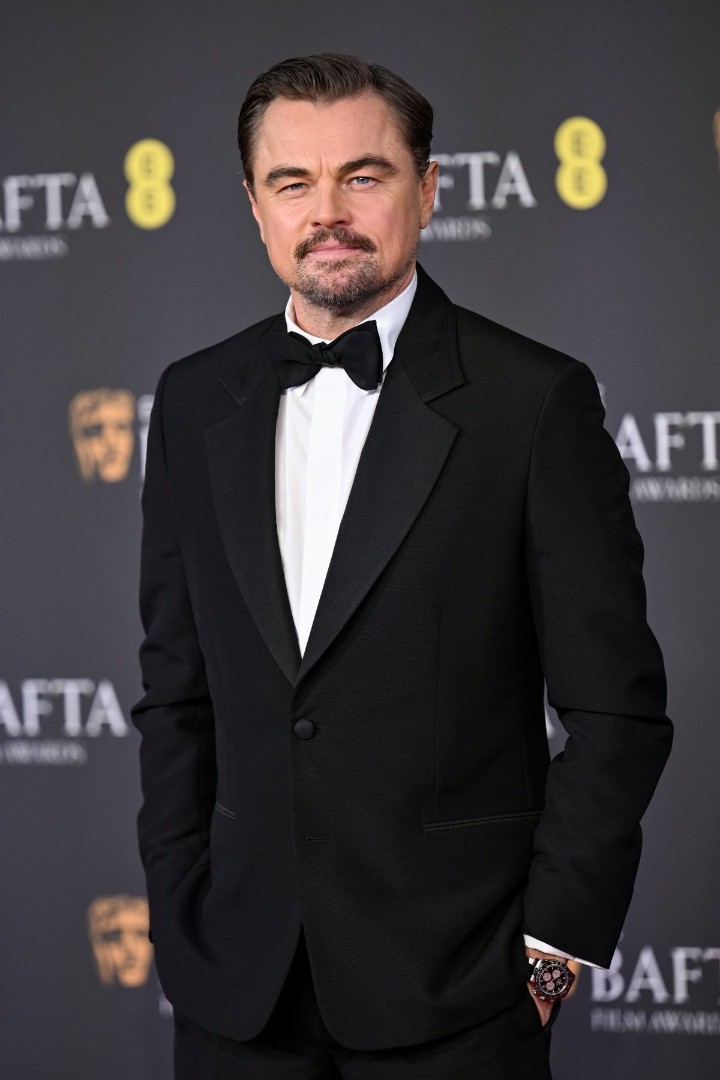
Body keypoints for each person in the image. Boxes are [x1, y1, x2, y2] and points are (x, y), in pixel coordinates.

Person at [132, 53, 672, 1079]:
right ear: (254, 205)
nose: (327, 213)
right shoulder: (193, 400)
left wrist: (551, 950)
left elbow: (618, 711)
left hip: (459, 998)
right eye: (293, 182)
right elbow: (175, 694)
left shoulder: (531, 401)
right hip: (235, 992)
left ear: (427, 190)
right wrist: (179, 911)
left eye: (363, 176)